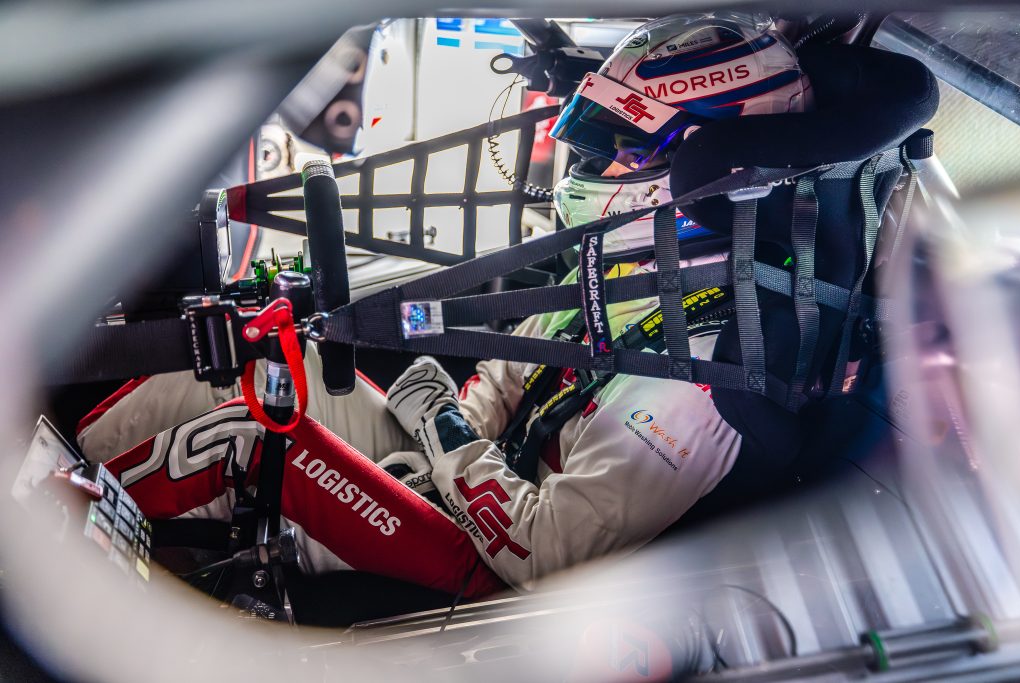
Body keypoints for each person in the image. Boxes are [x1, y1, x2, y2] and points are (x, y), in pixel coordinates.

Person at [81, 12, 812, 597]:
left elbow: (544, 554)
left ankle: (57, 546)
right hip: (462, 490)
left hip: (494, 573)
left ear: (709, 164)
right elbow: (495, 385)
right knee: (262, 361)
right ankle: (62, 472)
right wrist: (446, 453)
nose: (593, 165)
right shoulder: (619, 271)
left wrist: (444, 437)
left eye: (620, 145)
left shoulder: (707, 372)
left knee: (251, 441)